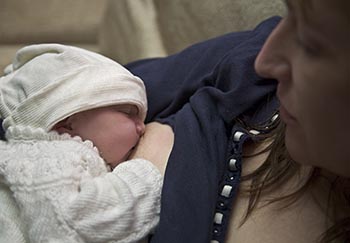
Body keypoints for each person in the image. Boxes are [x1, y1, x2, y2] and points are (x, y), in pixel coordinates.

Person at [123, 1, 349, 243]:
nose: (266, 61)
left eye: (310, 44)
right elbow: (92, 86)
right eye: (288, 16)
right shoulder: (248, 69)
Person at [0, 44, 162, 243]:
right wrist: (148, 168)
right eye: (128, 112)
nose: (142, 127)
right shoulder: (45, 157)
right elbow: (72, 226)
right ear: (65, 121)